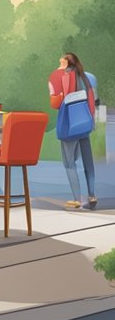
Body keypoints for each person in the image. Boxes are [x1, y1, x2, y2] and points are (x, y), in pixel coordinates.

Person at [50, 52, 98, 210]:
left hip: (70, 126)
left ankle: (77, 199)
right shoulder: (88, 77)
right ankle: (92, 195)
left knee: (69, 163)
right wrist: (91, 122)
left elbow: (56, 103)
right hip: (85, 124)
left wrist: (58, 73)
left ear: (66, 63)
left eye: (61, 60)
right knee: (88, 162)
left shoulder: (61, 77)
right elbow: (92, 101)